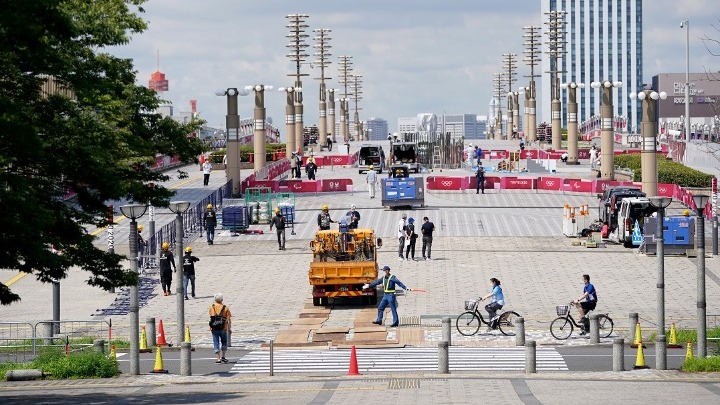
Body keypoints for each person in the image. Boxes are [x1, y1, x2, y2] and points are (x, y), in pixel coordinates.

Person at [209, 293, 232, 364]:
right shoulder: (225, 308)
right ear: (222, 300)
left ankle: (218, 358)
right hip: (223, 327)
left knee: (216, 342)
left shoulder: (211, 307)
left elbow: (211, 317)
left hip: (214, 327)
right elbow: (228, 320)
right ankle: (223, 357)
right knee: (224, 342)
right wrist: (229, 328)